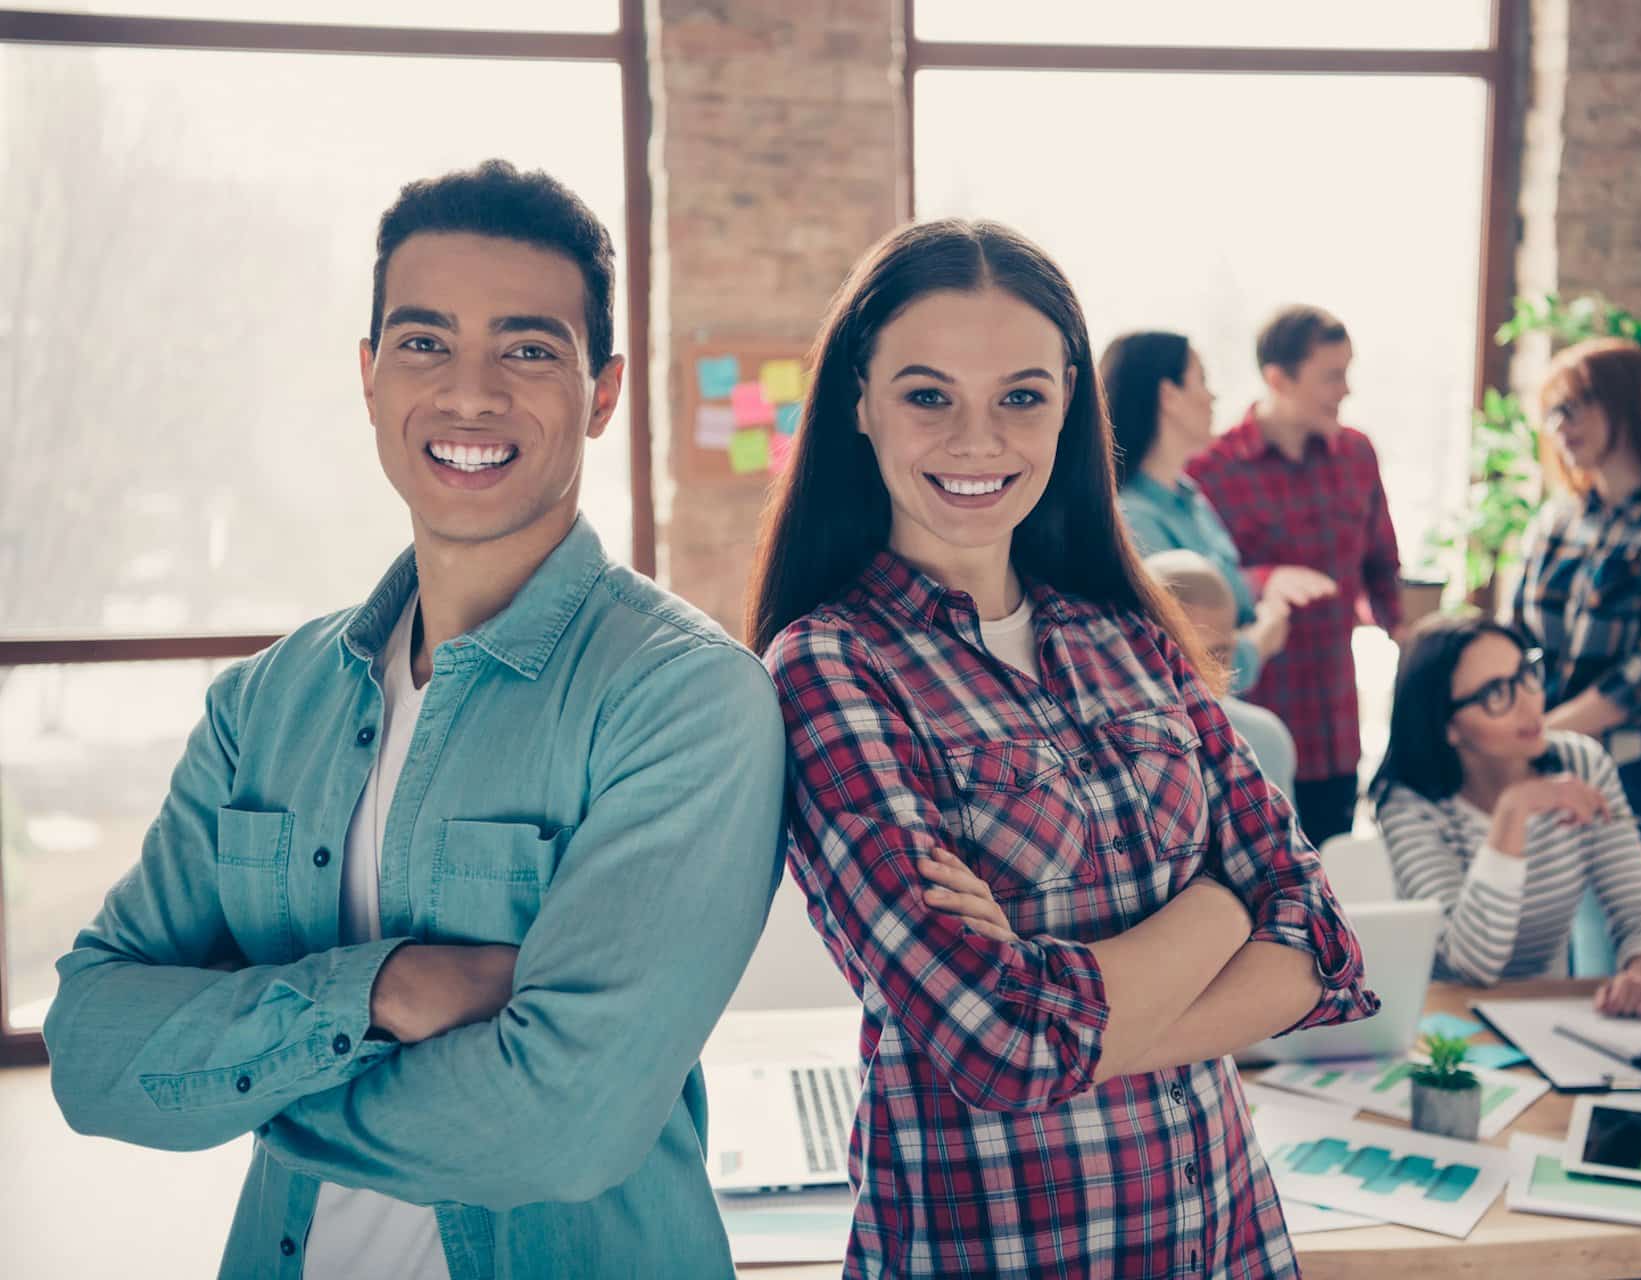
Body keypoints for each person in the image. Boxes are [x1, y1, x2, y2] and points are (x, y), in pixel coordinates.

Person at [42, 161, 786, 1279]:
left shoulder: (684, 699)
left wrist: (231, 1078)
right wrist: (380, 991)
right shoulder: (265, 702)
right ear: (371, 375)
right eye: (425, 342)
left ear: (603, 391)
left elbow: (565, 1123)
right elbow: (90, 1044)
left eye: (528, 348)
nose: (471, 392)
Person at [745, 218, 1375, 1278]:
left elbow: (1322, 946)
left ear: (1072, 403)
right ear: (859, 402)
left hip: (1229, 1240)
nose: (978, 439)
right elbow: (997, 1040)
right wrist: (1223, 905)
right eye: (928, 394)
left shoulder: (1131, 632)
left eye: (1022, 396)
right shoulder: (829, 667)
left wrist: (1066, 1011)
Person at [1508, 337, 1641, 977]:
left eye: (1576, 407)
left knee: (1606, 963)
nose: (1561, 427)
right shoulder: (1553, 522)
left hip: (1620, 775)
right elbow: (1512, 640)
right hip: (1530, 770)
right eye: (1553, 412)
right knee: (1527, 968)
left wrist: (1533, 734)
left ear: (1633, 407)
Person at [1373, 612, 1641, 1013]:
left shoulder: (1581, 763)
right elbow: (1471, 965)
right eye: (1496, 695)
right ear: (1448, 726)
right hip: (1446, 1023)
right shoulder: (1408, 802)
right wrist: (1512, 813)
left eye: (1525, 675)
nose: (1531, 703)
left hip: (1548, 1015)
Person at [1185, 304, 1402, 846]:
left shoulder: (1357, 455)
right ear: (1277, 378)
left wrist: (1408, 640)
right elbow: (1198, 588)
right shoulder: (1207, 470)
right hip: (1255, 723)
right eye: (1331, 375)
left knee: (1332, 877)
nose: (1346, 389)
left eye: (1347, 371)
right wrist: (1265, 580)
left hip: (1337, 723)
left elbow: (1382, 567)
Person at [1102, 330, 1334, 695]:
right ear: (1169, 396)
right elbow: (1182, 654)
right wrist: (1258, 642)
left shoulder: (1191, 497)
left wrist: (1264, 586)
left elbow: (1222, 592)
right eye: (1202, 381)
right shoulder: (1132, 518)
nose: (1213, 396)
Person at [1144, 548, 1299, 798]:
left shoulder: (1265, 742)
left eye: (1217, 657)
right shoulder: (1109, 757)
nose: (1194, 677)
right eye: (1176, 656)